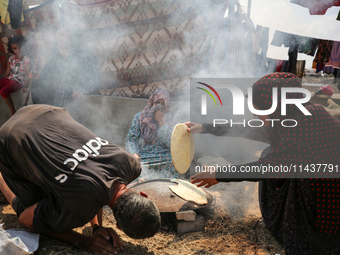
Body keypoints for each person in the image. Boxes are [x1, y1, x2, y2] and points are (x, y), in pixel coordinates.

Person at [187, 72, 340, 255]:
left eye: (258, 110)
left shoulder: (309, 122)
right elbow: (247, 129)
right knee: (270, 155)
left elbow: (268, 167)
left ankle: (307, 237)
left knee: (274, 163)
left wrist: (220, 175)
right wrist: (205, 127)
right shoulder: (290, 114)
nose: (255, 114)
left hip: (327, 195)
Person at [0, 104, 161, 255]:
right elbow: (24, 219)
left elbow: (96, 183)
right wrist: (84, 242)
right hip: (8, 137)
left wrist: (97, 227)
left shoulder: (130, 164)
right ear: (118, 225)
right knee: (30, 209)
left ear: (143, 194)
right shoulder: (78, 211)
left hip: (45, 111)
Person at [30, 27, 97, 108]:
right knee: (35, 84)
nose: (64, 44)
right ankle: (44, 113)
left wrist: (82, 91)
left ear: (72, 41)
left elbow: (93, 78)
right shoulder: (55, 55)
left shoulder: (82, 56)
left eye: (67, 41)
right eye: (61, 41)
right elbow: (45, 72)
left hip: (71, 97)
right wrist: (37, 75)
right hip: (55, 96)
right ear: (57, 41)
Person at [125, 88, 182, 179]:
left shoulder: (172, 118)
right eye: (157, 103)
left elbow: (173, 144)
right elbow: (131, 139)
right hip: (145, 158)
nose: (159, 106)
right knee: (134, 169)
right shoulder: (140, 117)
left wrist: (162, 122)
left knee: (175, 168)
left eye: (163, 103)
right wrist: (134, 153)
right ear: (151, 103)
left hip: (166, 159)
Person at [0, 35, 30, 116]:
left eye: (20, 47)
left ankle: (13, 111)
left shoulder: (26, 59)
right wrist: (3, 80)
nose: (18, 50)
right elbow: (7, 71)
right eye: (15, 48)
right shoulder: (11, 58)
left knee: (3, 91)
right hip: (10, 79)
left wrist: (26, 86)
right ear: (11, 49)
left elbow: (28, 74)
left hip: (18, 82)